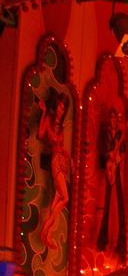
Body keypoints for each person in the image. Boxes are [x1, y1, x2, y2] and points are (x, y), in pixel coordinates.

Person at [36, 88, 71, 254]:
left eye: (63, 108)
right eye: (59, 106)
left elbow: (61, 147)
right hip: (55, 162)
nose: (61, 109)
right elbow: (40, 134)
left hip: (62, 161)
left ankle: (47, 233)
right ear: (55, 106)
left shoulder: (60, 126)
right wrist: (43, 113)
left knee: (57, 199)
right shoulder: (49, 121)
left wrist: (68, 157)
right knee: (65, 197)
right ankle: (45, 228)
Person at [96, 107, 128, 255]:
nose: (112, 121)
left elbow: (122, 150)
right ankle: (104, 238)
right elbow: (103, 151)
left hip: (116, 166)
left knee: (118, 202)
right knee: (106, 201)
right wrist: (110, 155)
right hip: (109, 166)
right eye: (111, 118)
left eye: (115, 118)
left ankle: (119, 240)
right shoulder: (105, 134)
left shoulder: (120, 134)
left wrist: (117, 158)